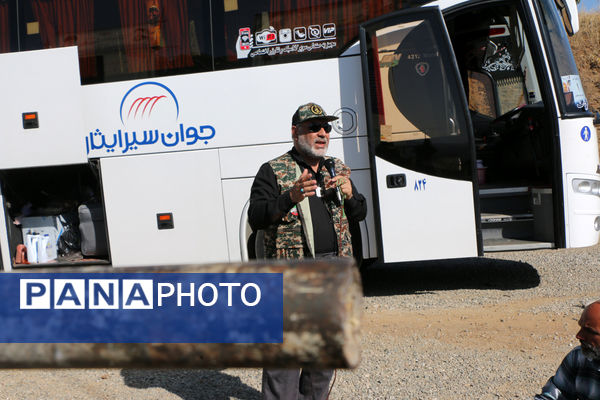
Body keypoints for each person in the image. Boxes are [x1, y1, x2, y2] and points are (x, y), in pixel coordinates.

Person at [248, 102, 367, 400]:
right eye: (314, 127)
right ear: (295, 132)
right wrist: (290, 196)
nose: (322, 133)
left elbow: (359, 213)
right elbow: (257, 217)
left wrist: (352, 195)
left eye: (326, 127)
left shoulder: (336, 167)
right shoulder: (273, 170)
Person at [534, 300, 600, 400]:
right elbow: (555, 393)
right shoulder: (578, 357)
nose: (579, 336)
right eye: (581, 327)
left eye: (590, 331)